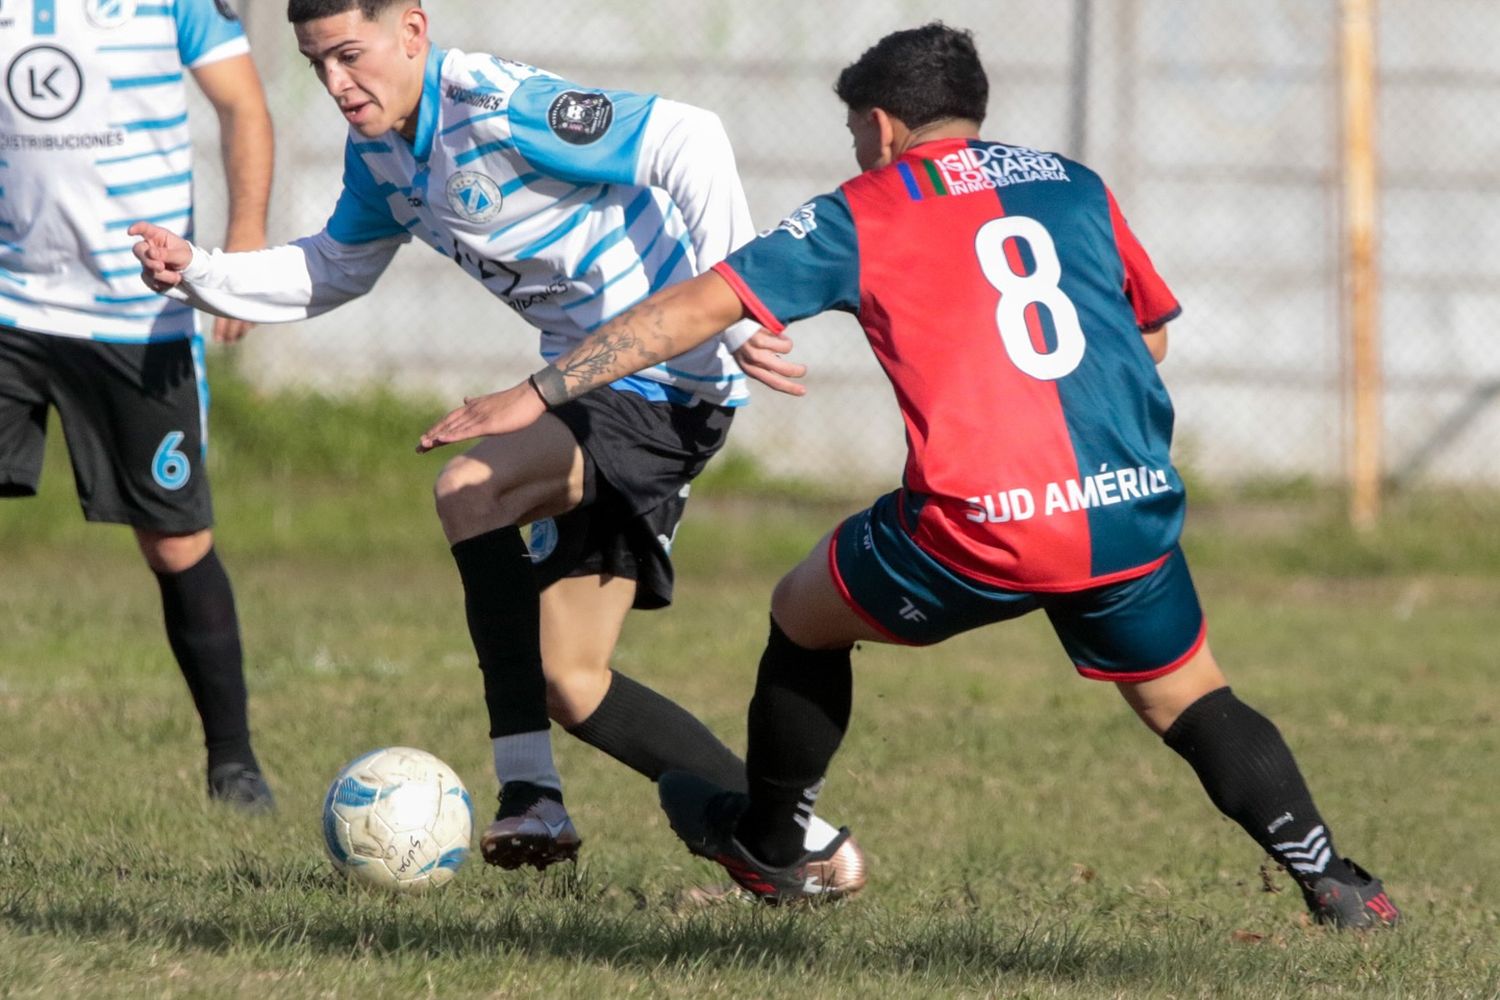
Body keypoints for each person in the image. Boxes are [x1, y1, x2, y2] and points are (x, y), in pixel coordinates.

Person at [412, 23, 1401, 929]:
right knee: (1189, 696)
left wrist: (539, 391)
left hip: (980, 526)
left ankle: (772, 835)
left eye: (854, 131)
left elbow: (690, 312)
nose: (854, 149)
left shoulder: (867, 208)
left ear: (881, 126)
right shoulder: (1074, 183)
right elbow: (1149, 334)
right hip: (1125, 509)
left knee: (803, 610)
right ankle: (1332, 876)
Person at [131, 0, 865, 894]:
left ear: (412, 31)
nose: (335, 83)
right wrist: (203, 271)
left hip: (663, 382)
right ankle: (799, 849)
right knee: (573, 678)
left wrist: (739, 297)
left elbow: (690, 137)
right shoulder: (384, 156)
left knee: (470, 487)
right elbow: (335, 268)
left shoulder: (495, 106)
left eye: (351, 55)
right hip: (603, 392)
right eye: (317, 63)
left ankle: (530, 790)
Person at [0, 0, 275, 810]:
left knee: (176, 542)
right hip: (8, 301)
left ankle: (233, 763)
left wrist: (246, 244)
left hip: (136, 313)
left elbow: (244, 104)